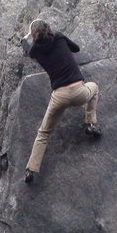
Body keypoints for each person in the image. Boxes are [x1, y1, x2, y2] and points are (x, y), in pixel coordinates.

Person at [20, 19, 101, 184]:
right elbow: (76, 48)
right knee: (94, 88)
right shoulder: (59, 38)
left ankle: (30, 169)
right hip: (79, 91)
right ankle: (90, 124)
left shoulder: (35, 51)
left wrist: (24, 39)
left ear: (33, 35)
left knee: (43, 133)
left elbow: (27, 50)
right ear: (48, 28)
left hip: (59, 97)